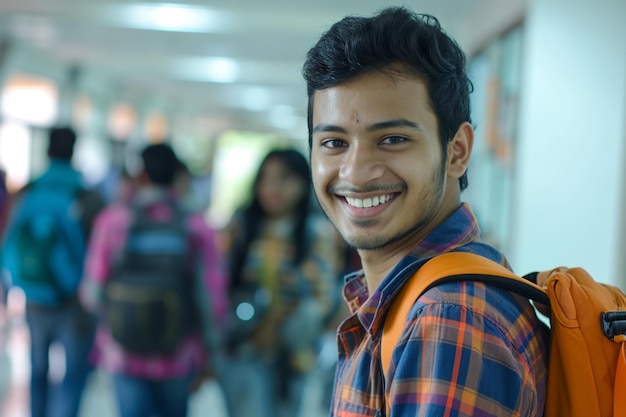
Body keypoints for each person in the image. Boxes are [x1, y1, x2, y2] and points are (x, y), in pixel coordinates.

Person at [302, 7, 549, 417]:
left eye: (393, 138)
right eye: (334, 143)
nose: (356, 173)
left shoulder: (448, 320)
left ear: (457, 151)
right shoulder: (426, 297)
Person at [78, 142, 228, 417]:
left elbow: (92, 294)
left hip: (122, 352)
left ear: (141, 175)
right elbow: (211, 299)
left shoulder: (112, 221)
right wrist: (212, 356)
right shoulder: (195, 225)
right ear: (176, 176)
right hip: (179, 353)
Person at [219, 148, 344, 417]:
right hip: (243, 349)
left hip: (292, 356)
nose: (271, 187)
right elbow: (221, 285)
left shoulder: (317, 233)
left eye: (284, 178)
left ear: (303, 183)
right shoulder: (241, 226)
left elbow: (322, 301)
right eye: (265, 178)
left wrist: (283, 322)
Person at [0, 126, 106, 417]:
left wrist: (8, 291)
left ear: (47, 150)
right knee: (72, 376)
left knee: (37, 370)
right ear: (74, 152)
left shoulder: (28, 191)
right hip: (76, 301)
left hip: (35, 296)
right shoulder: (89, 197)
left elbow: (8, 242)